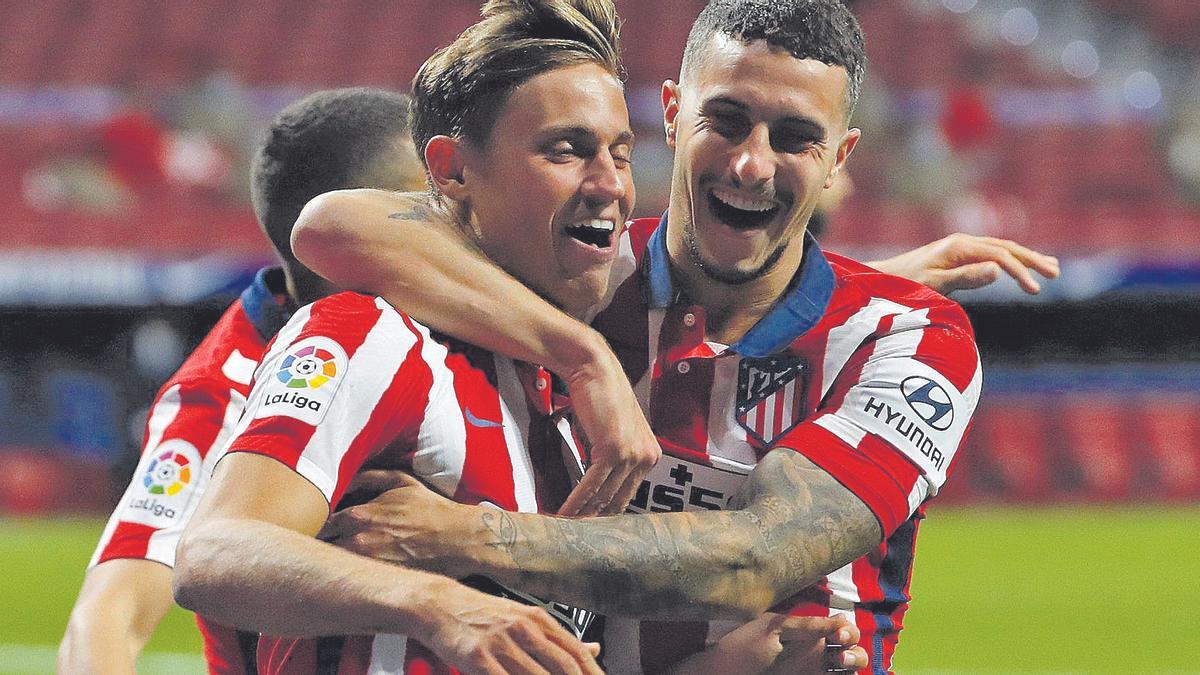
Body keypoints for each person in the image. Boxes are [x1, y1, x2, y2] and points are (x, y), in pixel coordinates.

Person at [291, 1, 1059, 673]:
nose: (751, 163)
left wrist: (461, 537)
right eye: (724, 121)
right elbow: (332, 223)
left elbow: (755, 559)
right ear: (668, 112)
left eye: (795, 137)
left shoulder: (907, 337)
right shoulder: (579, 276)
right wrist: (582, 352)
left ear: (839, 160)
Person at [57, 87, 429, 674]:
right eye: (427, 199)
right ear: (339, 227)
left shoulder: (485, 316)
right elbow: (105, 622)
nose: (461, 217)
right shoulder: (225, 390)